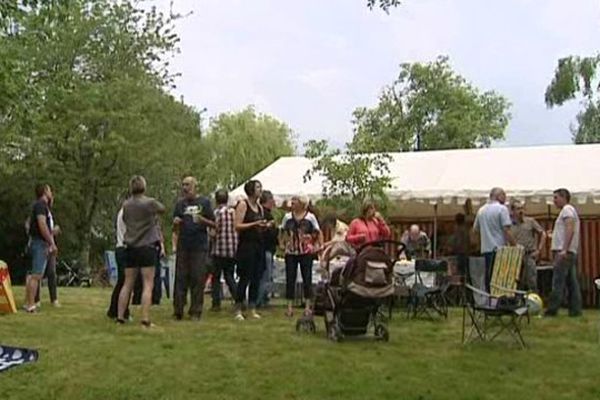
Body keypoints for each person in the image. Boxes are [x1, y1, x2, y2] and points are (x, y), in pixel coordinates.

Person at [117, 176, 165, 327]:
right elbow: (162, 209)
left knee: (127, 283)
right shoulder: (149, 203)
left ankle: (120, 317)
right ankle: (145, 319)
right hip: (147, 246)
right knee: (147, 284)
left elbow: (125, 220)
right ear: (144, 187)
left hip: (130, 247)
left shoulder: (126, 205)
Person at [172, 176, 215, 321]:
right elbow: (174, 227)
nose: (185, 188)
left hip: (199, 246)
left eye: (188, 185)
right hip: (183, 245)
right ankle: (178, 310)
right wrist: (176, 223)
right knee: (181, 278)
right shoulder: (180, 204)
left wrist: (203, 220)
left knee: (198, 279)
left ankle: (196, 311)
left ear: (195, 186)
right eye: (183, 185)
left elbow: (215, 225)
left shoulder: (204, 202)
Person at [280, 195, 322, 318]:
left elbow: (317, 232)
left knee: (307, 278)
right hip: (291, 251)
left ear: (302, 203)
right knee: (290, 278)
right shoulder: (287, 217)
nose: (292, 203)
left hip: (306, 251)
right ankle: (289, 307)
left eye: (295, 201)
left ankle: (308, 307)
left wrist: (319, 245)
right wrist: (282, 243)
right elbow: (282, 231)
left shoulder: (310, 217)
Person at [234, 180, 269, 321]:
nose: (260, 190)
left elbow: (259, 224)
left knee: (256, 277)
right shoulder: (243, 205)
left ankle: (252, 307)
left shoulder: (260, 207)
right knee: (244, 277)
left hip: (258, 245)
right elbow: (237, 225)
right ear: (251, 190)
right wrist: (254, 224)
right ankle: (238, 308)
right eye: (258, 187)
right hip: (246, 246)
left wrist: (264, 226)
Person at [544, 188, 582, 317]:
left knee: (558, 281)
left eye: (556, 197)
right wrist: (553, 235)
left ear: (563, 197)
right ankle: (575, 310)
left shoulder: (567, 210)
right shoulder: (567, 211)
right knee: (572, 282)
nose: (554, 201)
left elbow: (570, 227)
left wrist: (564, 249)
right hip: (568, 251)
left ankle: (552, 310)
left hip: (563, 251)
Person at [23, 184, 58, 313]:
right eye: (49, 190)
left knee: (33, 274)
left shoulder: (40, 206)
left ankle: (28, 302)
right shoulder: (41, 206)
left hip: (37, 242)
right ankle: (31, 305)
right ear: (44, 192)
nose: (51, 192)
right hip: (40, 243)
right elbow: (42, 225)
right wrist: (51, 242)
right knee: (37, 275)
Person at [473, 187, 515, 291]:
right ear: (498, 196)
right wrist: (514, 245)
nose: (505, 199)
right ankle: (500, 298)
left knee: (489, 275)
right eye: (504, 196)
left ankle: (490, 299)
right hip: (500, 248)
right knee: (501, 276)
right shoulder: (502, 209)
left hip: (486, 249)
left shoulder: (481, 210)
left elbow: (475, 230)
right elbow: (507, 229)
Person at [509, 200, 547, 292]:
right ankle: (516, 301)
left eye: (522, 208)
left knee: (531, 280)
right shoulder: (508, 224)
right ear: (512, 211)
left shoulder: (530, 221)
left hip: (529, 254)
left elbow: (543, 234)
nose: (521, 211)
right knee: (515, 280)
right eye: (518, 209)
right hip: (515, 255)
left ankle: (533, 301)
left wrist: (539, 250)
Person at [210, 189, 238, 311]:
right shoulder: (233, 212)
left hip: (219, 249)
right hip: (232, 248)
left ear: (216, 200)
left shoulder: (216, 213)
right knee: (229, 276)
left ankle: (216, 303)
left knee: (215, 277)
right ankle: (238, 299)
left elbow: (213, 232)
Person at [32, 195, 61, 308]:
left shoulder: (49, 215)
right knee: (38, 272)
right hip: (43, 244)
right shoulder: (39, 209)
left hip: (50, 244)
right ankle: (36, 299)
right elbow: (40, 228)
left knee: (52, 272)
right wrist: (52, 232)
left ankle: (54, 299)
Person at [106, 204, 131, 320]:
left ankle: (114, 309)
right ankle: (121, 310)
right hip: (124, 248)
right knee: (125, 282)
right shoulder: (126, 212)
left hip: (122, 248)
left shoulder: (123, 211)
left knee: (123, 281)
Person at [257, 190, 278, 308]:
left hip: (265, 249)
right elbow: (268, 234)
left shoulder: (262, 213)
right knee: (265, 276)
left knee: (264, 276)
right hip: (266, 249)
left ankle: (263, 298)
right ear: (268, 201)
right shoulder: (266, 215)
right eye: (272, 200)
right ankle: (259, 300)